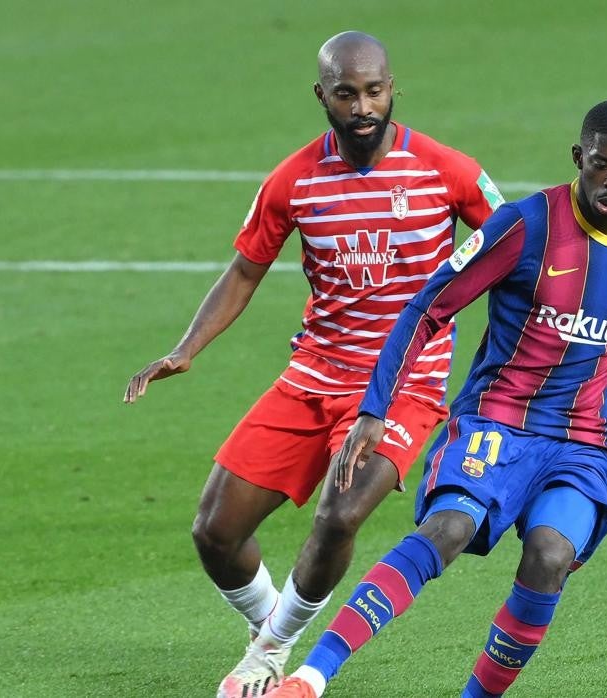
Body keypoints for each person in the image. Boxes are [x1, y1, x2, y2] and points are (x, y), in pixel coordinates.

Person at [122, 31, 505, 698]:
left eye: (375, 91)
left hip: (404, 386)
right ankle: (270, 620)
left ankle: (271, 653)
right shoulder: (295, 179)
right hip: (315, 374)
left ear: (393, 90)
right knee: (214, 531)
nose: (363, 106)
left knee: (340, 513)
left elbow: (514, 245)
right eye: (348, 93)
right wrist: (185, 349)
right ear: (322, 96)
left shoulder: (446, 170)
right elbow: (245, 270)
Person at [269, 98, 607, 697]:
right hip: (500, 420)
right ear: (579, 158)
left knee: (549, 556)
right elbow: (426, 308)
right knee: (451, 528)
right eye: (600, 165)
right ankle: (311, 677)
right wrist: (373, 410)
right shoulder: (524, 225)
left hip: (582, 443)